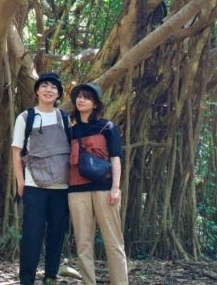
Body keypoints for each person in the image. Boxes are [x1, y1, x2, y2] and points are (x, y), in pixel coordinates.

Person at [12, 72, 71, 285]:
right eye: (44, 85)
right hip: (34, 185)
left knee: (56, 234)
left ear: (58, 94)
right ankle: (27, 280)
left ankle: (50, 276)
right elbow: (16, 151)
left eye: (54, 87)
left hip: (61, 186)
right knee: (31, 235)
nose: (49, 90)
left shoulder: (64, 118)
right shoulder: (26, 117)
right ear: (37, 90)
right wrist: (20, 182)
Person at [67, 82, 129, 285]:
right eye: (78, 96)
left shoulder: (107, 127)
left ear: (95, 104)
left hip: (104, 189)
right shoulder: (71, 131)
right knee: (83, 244)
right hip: (77, 190)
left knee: (113, 242)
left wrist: (116, 187)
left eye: (86, 97)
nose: (81, 100)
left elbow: (115, 158)